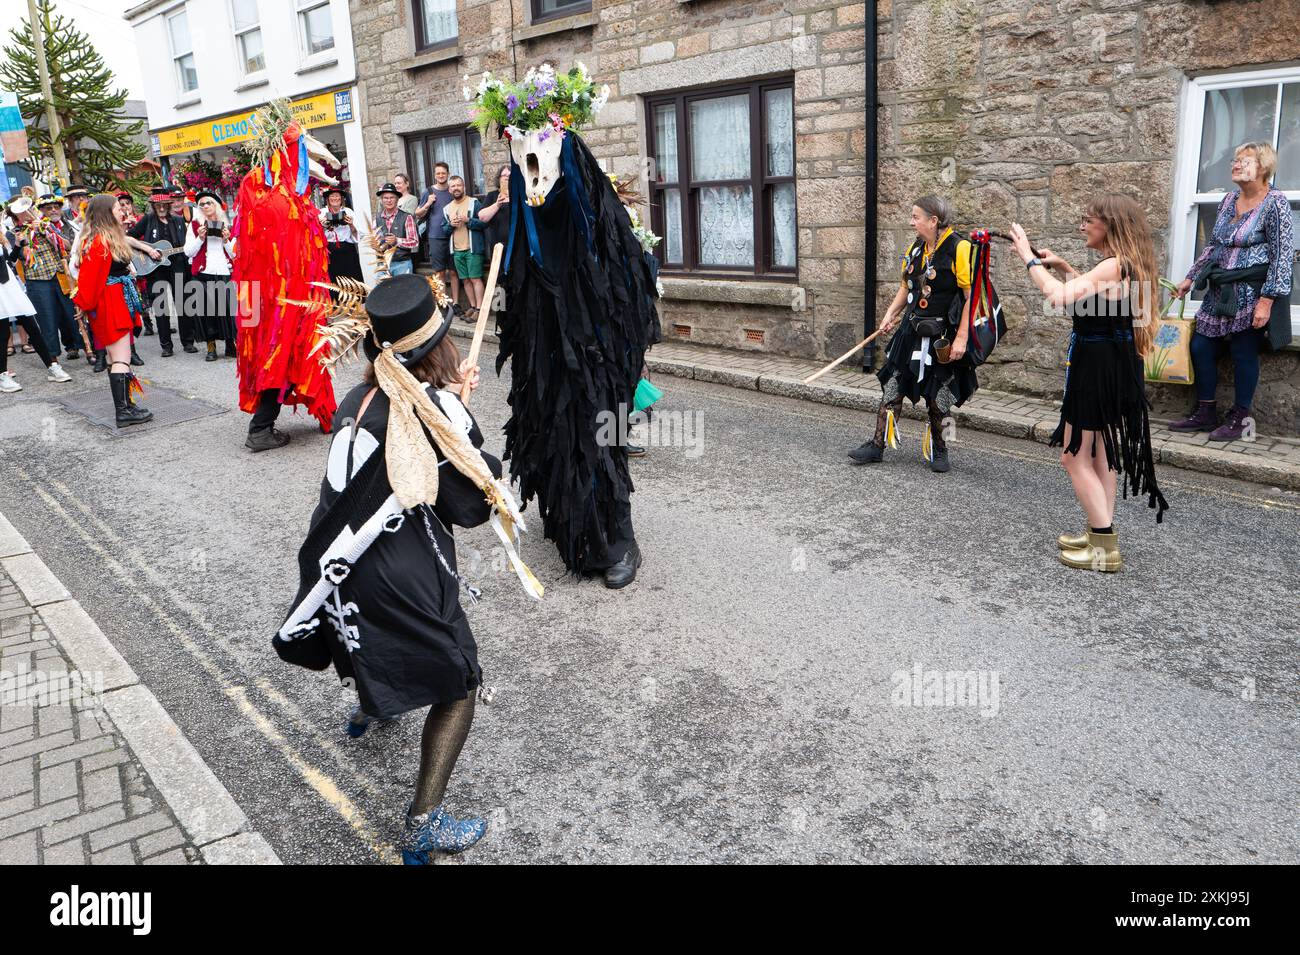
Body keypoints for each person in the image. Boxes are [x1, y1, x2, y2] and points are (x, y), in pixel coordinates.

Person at [273, 273, 540, 862]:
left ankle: (369, 709)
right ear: (436, 350)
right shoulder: (432, 409)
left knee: (374, 635)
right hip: (395, 565)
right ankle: (423, 823)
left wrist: (451, 415)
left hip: (341, 566)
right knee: (460, 680)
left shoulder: (359, 398)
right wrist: (460, 423)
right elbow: (472, 501)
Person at [483, 65, 658, 588]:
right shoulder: (525, 215)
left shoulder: (590, 212)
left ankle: (619, 539)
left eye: (540, 156)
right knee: (552, 429)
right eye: (522, 162)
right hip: (546, 348)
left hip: (593, 356)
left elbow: (626, 289)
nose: (532, 174)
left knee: (598, 436)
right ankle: (567, 524)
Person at [1008, 194, 1168, 573]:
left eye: (1087, 220)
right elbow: (1094, 301)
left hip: (1096, 368)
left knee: (1072, 455)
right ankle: (1100, 532)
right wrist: (1063, 265)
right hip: (1113, 364)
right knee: (1100, 454)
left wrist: (1026, 256)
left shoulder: (1114, 264)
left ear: (1109, 226)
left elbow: (1058, 298)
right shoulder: (1123, 265)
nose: (1081, 226)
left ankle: (1104, 546)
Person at [232, 101, 338, 450]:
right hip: (282, 295)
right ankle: (261, 428)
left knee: (278, 352)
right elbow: (281, 250)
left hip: (266, 294)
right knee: (281, 351)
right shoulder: (279, 196)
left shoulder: (268, 188)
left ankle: (309, 416)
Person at [1170, 141, 1293, 441]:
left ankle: (1240, 418)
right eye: (1234, 161)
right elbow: (1214, 246)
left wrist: (1267, 301)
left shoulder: (1275, 203)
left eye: (1244, 161)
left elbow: (1283, 256)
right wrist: (1190, 277)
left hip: (1252, 293)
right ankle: (1206, 411)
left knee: (1242, 351)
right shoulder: (1228, 201)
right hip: (1219, 290)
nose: (1235, 165)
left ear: (1262, 167)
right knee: (1201, 346)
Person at [850, 196, 976, 472]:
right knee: (892, 386)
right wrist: (888, 316)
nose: (911, 221)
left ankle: (940, 450)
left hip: (942, 335)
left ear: (933, 220)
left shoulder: (960, 247)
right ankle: (877, 445)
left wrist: (962, 338)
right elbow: (906, 288)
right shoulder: (916, 248)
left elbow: (970, 297)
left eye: (916, 216)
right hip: (911, 330)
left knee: (938, 395)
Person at [72, 195, 152, 427]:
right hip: (111, 303)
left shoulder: (103, 239)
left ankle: (126, 405)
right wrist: (83, 304)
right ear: (107, 212)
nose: (121, 211)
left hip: (114, 300)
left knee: (113, 357)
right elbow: (89, 279)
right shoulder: (101, 243)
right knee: (121, 358)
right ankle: (124, 411)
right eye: (117, 208)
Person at [0, 224, 72, 393]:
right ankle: (3, 375)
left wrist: (18, 245)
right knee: (2, 333)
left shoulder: (2, 237)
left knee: (33, 327)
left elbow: (10, 260)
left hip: (10, 287)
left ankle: (52, 366)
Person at [13, 195, 82, 364]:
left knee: (72, 313)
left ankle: (85, 347)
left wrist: (47, 230)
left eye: (28, 210)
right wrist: (22, 241)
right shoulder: (16, 233)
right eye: (22, 212)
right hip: (37, 280)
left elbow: (67, 246)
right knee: (47, 319)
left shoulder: (48, 226)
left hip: (60, 276)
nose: (26, 214)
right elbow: (19, 257)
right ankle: (52, 358)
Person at [129, 186, 193, 357]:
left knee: (184, 305)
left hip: (178, 265)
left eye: (165, 204)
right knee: (161, 307)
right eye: (158, 206)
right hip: (155, 269)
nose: (162, 208)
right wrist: (148, 250)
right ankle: (166, 346)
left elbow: (188, 244)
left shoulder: (179, 221)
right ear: (153, 206)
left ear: (169, 204)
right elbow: (128, 237)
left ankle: (188, 342)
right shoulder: (147, 220)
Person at [184, 190, 237, 361]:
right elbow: (188, 252)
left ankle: (230, 345)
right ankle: (211, 347)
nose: (206, 206)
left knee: (227, 312)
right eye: (202, 204)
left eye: (209, 203)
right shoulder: (194, 225)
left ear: (216, 205)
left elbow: (235, 254)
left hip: (223, 272)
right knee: (207, 313)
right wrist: (200, 238)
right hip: (203, 273)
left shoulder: (227, 225)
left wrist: (227, 240)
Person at [440, 176, 485, 312]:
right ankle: (472, 307)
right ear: (449, 190)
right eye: (453, 186)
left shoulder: (474, 203)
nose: (456, 188)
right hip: (457, 251)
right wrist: (450, 225)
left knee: (475, 278)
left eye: (459, 185)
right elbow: (445, 231)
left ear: (464, 187)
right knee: (465, 280)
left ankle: (479, 310)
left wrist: (468, 220)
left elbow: (484, 223)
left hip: (473, 249)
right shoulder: (447, 208)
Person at [416, 162, 455, 305]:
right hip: (435, 236)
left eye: (443, 173)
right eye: (438, 173)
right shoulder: (429, 192)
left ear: (448, 174)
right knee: (440, 272)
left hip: (453, 236)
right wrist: (428, 203)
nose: (440, 175)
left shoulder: (452, 191)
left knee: (454, 272)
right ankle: (443, 303)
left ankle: (455, 303)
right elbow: (418, 214)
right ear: (435, 175)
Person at [319, 186, 363, 285]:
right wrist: (321, 225)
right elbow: (316, 236)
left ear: (341, 198)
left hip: (347, 251)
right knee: (333, 283)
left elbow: (357, 235)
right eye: (332, 196)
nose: (335, 198)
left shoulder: (348, 212)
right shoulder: (322, 213)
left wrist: (351, 224)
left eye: (337, 196)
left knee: (352, 282)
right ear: (328, 199)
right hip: (329, 252)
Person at [373, 182, 418, 276]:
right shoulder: (376, 218)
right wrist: (375, 242)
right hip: (383, 264)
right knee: (384, 291)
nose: (389, 200)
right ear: (381, 200)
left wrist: (397, 240)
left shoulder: (406, 217)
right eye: (385, 198)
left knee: (403, 290)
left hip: (402, 264)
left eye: (392, 197)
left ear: (397, 199)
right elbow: (374, 241)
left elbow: (414, 242)